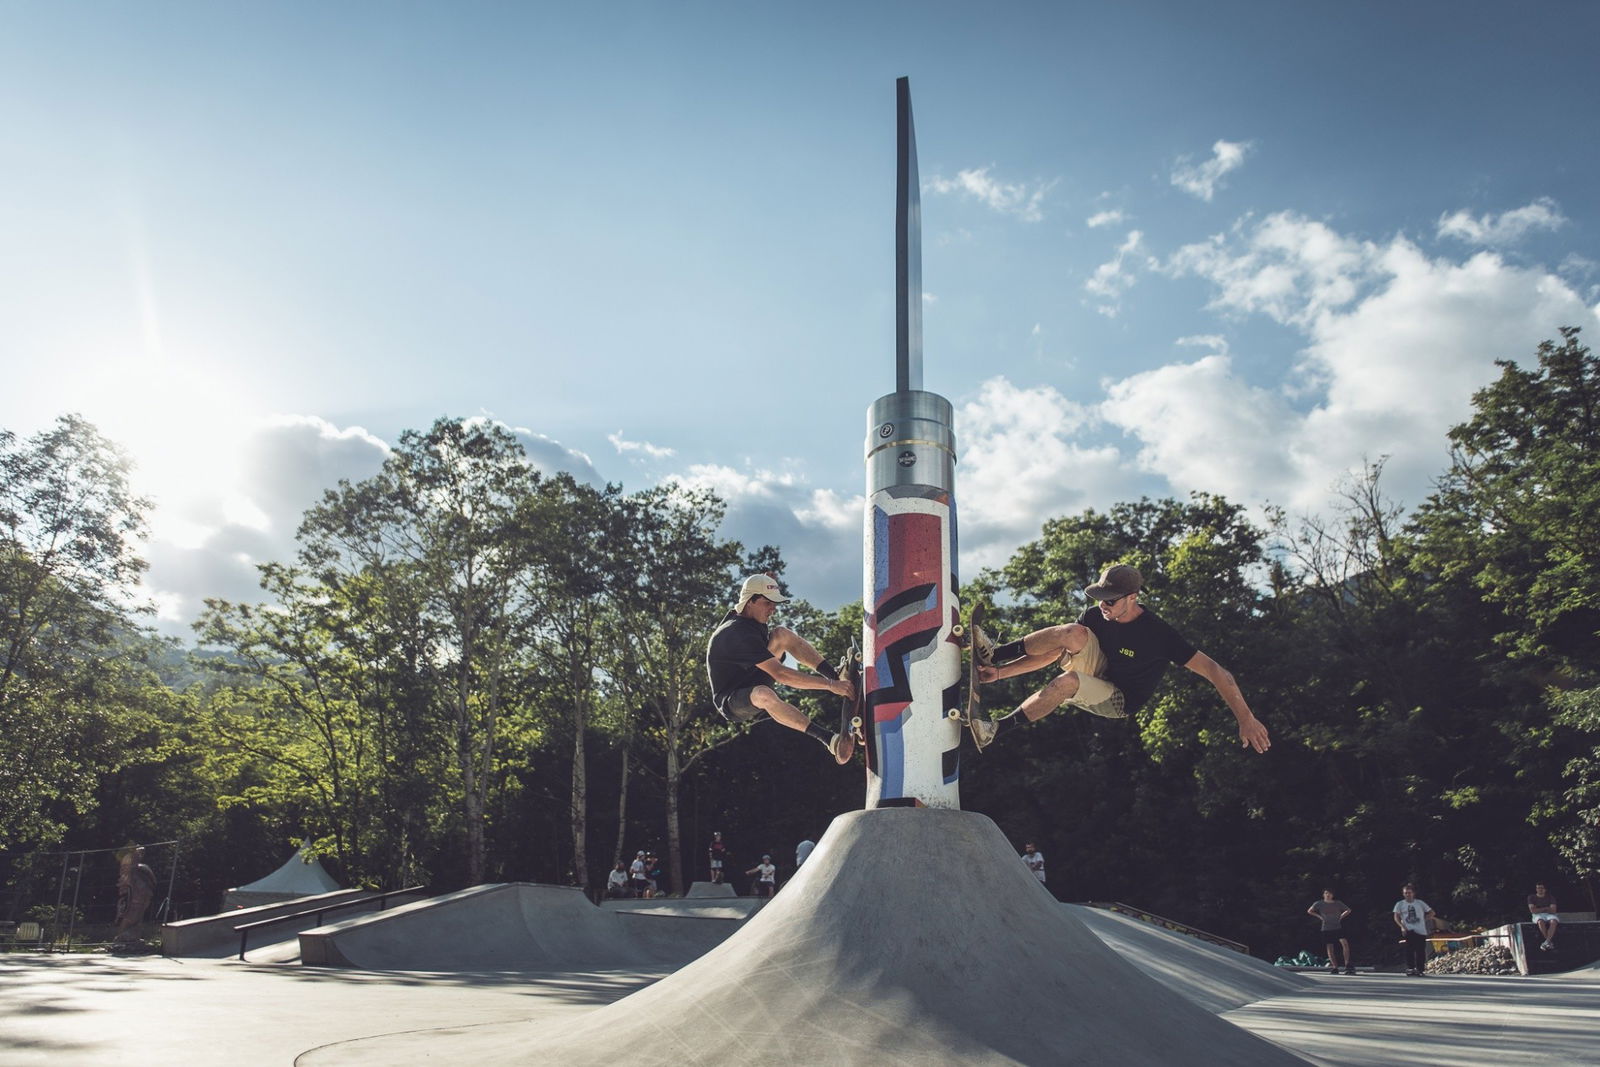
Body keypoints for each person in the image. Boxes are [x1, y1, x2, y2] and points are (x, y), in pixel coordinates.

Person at [967, 564, 1271, 755]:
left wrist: (1246, 719)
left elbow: (1218, 672)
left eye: (1110, 600)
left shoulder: (1159, 634)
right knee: (1072, 632)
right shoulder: (1095, 616)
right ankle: (994, 653)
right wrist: (999, 672)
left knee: (1068, 682)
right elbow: (1053, 654)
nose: (1103, 606)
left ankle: (994, 731)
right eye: (1099, 598)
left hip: (1119, 699)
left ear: (1133, 597)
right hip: (1098, 670)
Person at [705, 573, 856, 764]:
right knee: (763, 694)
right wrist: (831, 686)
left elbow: (752, 589)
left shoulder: (748, 614)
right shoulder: (736, 634)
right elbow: (781, 674)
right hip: (732, 701)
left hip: (754, 674)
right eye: (768, 603)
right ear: (751, 601)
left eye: (774, 604)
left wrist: (766, 581)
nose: (773, 609)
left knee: (781, 634)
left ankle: (835, 673)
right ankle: (829, 739)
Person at [1308, 889, 1355, 974]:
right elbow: (1310, 911)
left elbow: (1348, 910)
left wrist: (1341, 916)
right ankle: (1335, 967)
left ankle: (1347, 964)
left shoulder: (1337, 903)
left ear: (1332, 895)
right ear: (1323, 895)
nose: (1328, 895)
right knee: (1330, 947)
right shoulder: (1319, 903)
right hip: (1326, 927)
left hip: (1338, 927)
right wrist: (1320, 917)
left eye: (1329, 893)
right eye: (1326, 893)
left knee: (1344, 943)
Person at [1392, 884, 1435, 976]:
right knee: (1409, 950)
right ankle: (1410, 968)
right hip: (1409, 930)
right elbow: (1396, 917)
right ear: (1403, 894)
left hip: (1420, 930)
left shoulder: (1419, 903)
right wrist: (1402, 926)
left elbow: (1432, 912)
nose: (1408, 894)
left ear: (1413, 893)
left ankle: (1420, 969)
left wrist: (1424, 919)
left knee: (1420, 951)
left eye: (1409, 893)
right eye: (1406, 893)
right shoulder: (1400, 904)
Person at [1529, 882, 1560, 951]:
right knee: (1540, 921)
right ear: (1536, 889)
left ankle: (1546, 942)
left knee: (1554, 921)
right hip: (1537, 915)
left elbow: (1553, 910)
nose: (1540, 889)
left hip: (1550, 915)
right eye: (1538, 888)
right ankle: (1548, 942)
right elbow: (1533, 911)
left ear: (1545, 889)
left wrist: (1538, 909)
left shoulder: (1550, 897)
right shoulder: (1531, 897)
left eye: (1541, 888)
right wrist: (1546, 908)